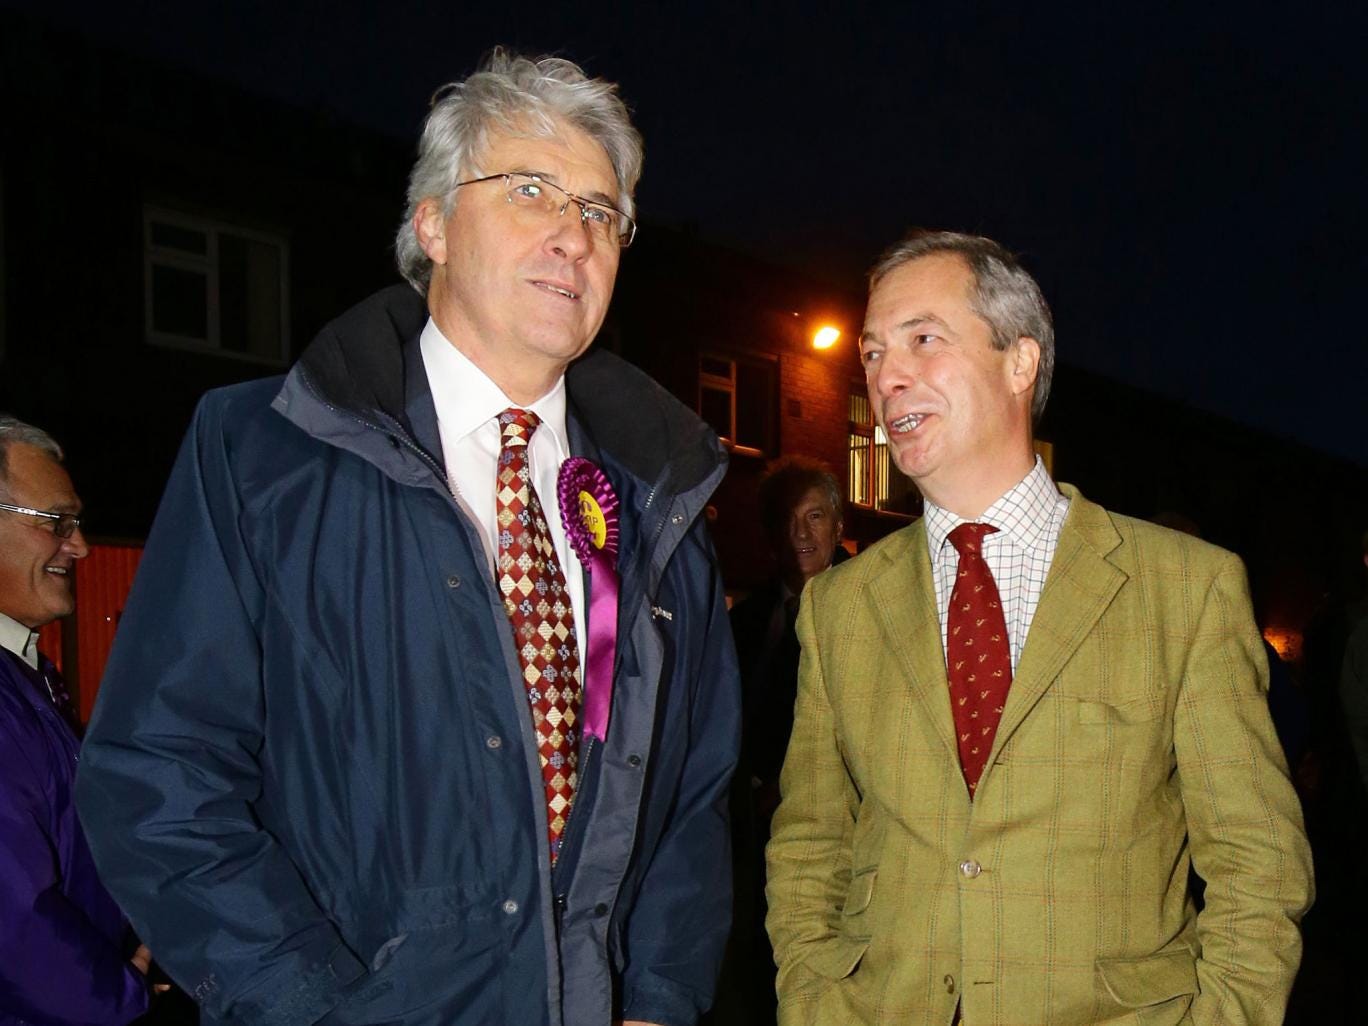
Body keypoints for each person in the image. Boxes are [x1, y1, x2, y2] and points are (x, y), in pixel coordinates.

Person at [76, 50, 740, 1026]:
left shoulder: (660, 496)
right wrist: (305, 1003)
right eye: (530, 191)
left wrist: (653, 995)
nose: (573, 235)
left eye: (602, 212)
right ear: (431, 222)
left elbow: (691, 793)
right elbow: (156, 774)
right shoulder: (263, 454)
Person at [765, 231, 1312, 1025]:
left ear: (1020, 364)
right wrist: (815, 1002)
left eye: (923, 338)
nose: (887, 376)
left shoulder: (1185, 590)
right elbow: (809, 842)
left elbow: (1258, 862)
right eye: (875, 352)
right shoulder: (840, 608)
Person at [0, 416, 152, 1025]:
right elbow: (13, 916)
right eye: (56, 523)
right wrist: (116, 997)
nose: (80, 546)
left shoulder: (26, 671)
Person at [724, 458, 844, 1024]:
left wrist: (786, 787)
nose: (802, 534)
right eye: (788, 520)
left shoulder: (869, 609)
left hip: (827, 840)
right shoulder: (742, 621)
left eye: (815, 517)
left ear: (837, 527)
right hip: (742, 836)